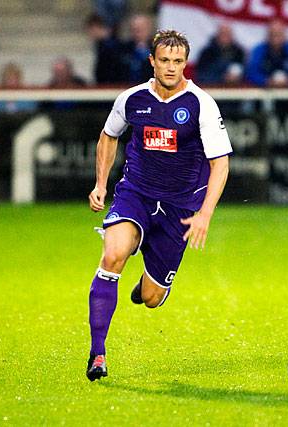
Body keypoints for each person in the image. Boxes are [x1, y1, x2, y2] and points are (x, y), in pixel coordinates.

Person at [85, 29, 232, 381]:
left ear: (186, 63)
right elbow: (109, 135)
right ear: (152, 61)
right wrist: (101, 184)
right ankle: (98, 353)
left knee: (151, 297)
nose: (171, 68)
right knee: (113, 255)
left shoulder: (201, 104)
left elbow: (221, 163)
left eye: (178, 61)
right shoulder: (131, 99)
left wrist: (205, 215)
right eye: (164, 60)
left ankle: (147, 286)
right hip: (136, 194)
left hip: (180, 209)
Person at [245, 18, 288, 88]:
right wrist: (266, 81)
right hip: (264, 94)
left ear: (284, 35)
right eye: (272, 34)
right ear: (267, 35)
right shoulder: (258, 51)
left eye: (279, 34)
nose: (275, 38)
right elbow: (250, 73)